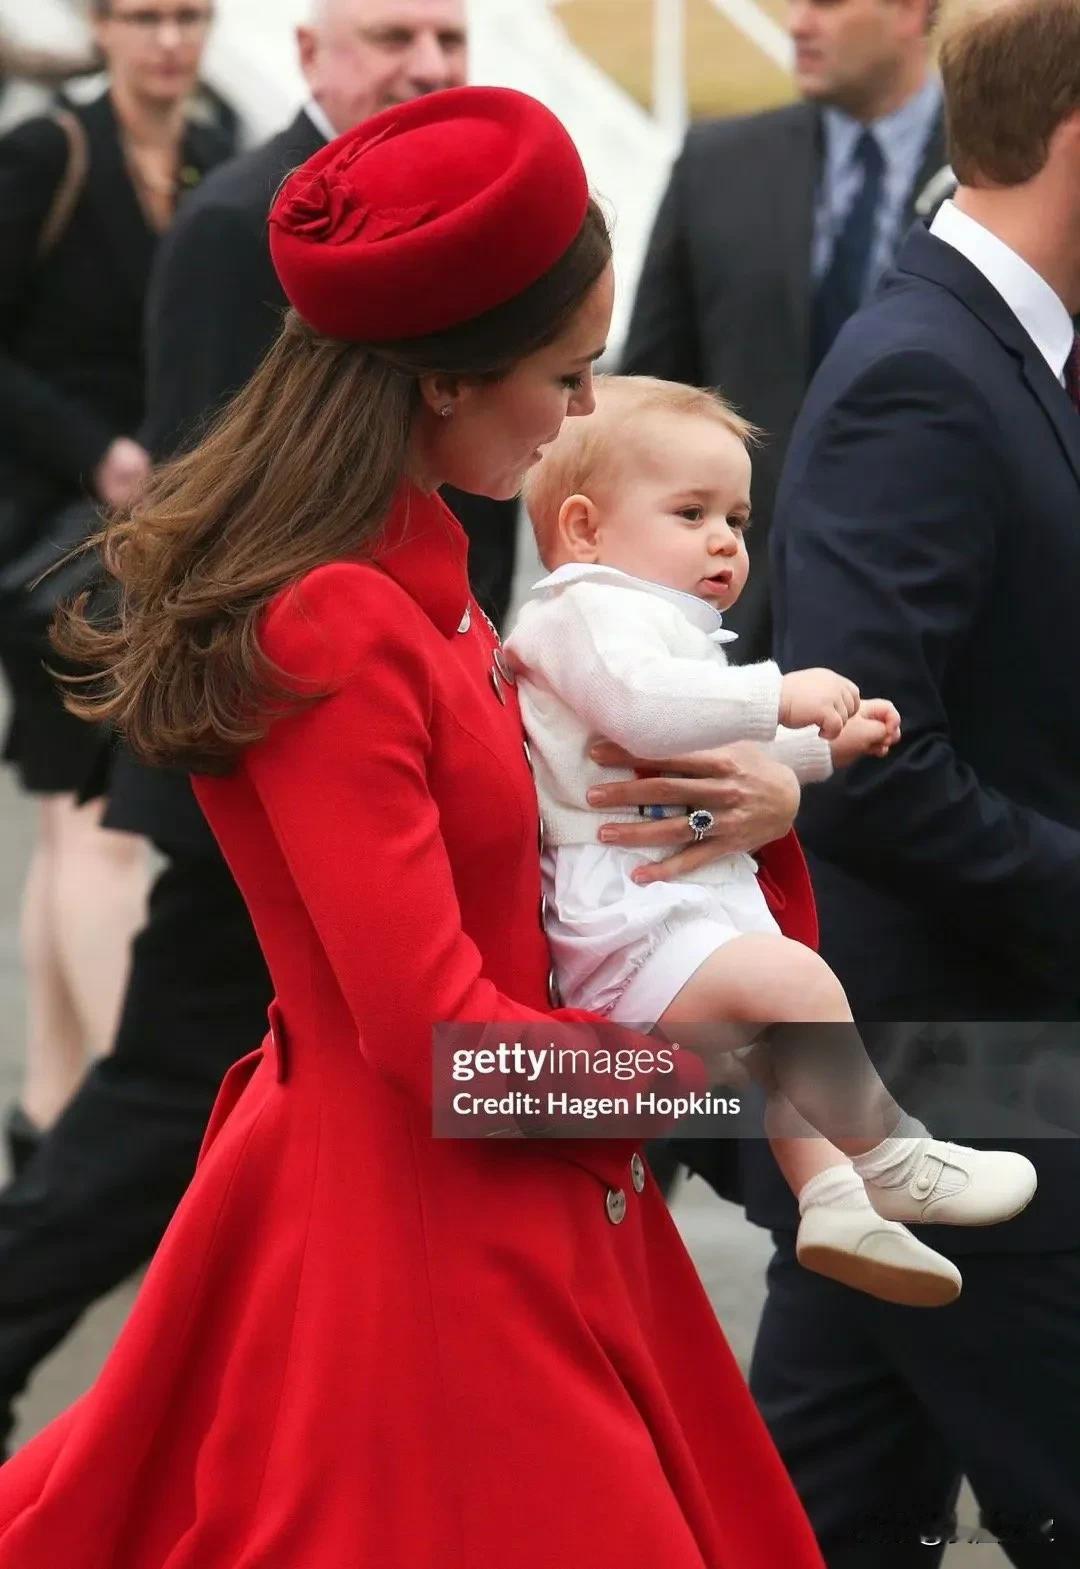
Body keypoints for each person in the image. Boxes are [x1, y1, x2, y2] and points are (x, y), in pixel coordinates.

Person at [0, 89, 826, 1568]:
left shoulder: (417, 583)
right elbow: (438, 1039)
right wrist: (682, 1080)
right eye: (567, 374)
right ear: (444, 381)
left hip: (481, 1209)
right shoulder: (342, 619)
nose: (585, 413)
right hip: (428, 1252)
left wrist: (751, 808)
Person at [755, 0, 1080, 1560]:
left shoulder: (1006, 351)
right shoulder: (926, 373)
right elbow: (863, 768)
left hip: (936, 1089)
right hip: (958, 1079)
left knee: (823, 1506)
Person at [505, 372, 1036, 1310]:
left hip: (674, 904)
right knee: (800, 990)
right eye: (692, 511)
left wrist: (820, 746)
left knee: (791, 1045)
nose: (724, 539)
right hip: (633, 918)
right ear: (585, 528)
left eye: (739, 518)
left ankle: (832, 1198)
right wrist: (777, 692)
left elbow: (710, 749)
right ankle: (893, 1154)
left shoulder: (653, 622)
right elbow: (648, 709)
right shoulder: (583, 609)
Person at [0, 0, 225, 1172]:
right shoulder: (49, 151)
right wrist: (95, 450)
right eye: (143, 15)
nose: (169, 40)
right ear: (102, 26)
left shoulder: (219, 141)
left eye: (189, 15)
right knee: (97, 826)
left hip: (166, 541)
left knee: (69, 824)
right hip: (56, 545)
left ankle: (50, 1109)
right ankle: (121, 1142)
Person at [622, 0, 945, 663]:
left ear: (912, 11)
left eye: (825, 3)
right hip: (734, 620)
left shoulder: (1006, 170)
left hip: (938, 618)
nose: (798, 24)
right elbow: (647, 403)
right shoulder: (716, 166)